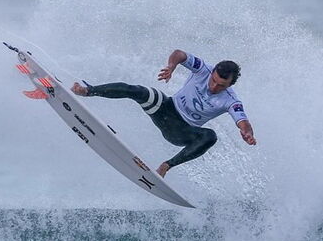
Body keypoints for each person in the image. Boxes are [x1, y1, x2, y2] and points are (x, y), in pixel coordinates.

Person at [71, 49, 256, 177]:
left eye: (221, 85)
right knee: (137, 91)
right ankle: (87, 91)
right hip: (166, 109)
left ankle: (166, 166)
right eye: (214, 80)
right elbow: (179, 54)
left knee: (210, 136)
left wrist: (247, 133)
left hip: (183, 132)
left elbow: (243, 121)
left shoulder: (230, 100)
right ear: (213, 71)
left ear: (230, 85)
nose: (214, 86)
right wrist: (171, 66)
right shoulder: (203, 69)